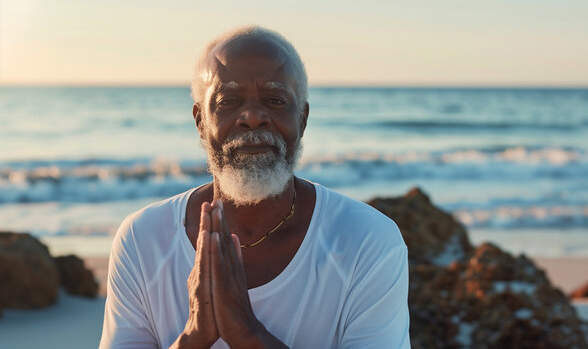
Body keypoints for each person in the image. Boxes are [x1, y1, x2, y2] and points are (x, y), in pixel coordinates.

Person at [99, 26, 410, 349]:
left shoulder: (367, 241)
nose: (252, 117)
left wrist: (246, 333)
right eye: (228, 101)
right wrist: (194, 338)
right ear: (200, 122)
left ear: (302, 120)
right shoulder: (142, 239)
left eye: (275, 100)